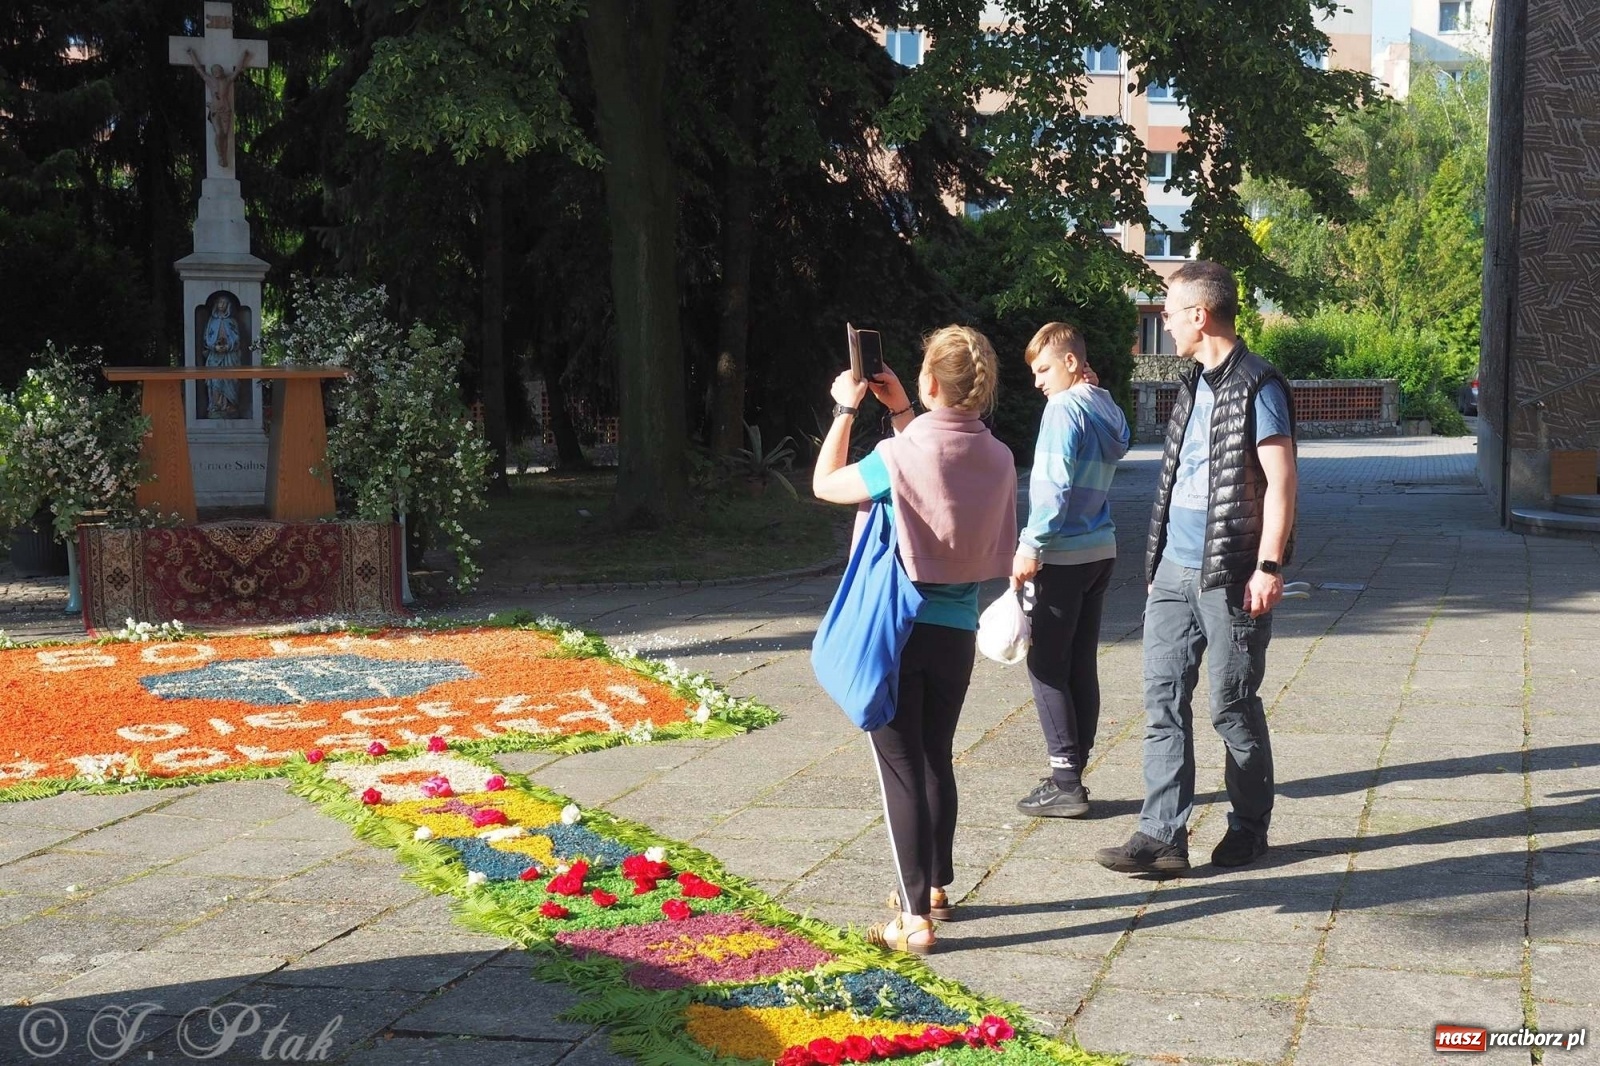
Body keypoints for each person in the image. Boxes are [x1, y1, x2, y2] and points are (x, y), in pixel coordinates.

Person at [813, 325, 1017, 953]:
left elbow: (827, 483)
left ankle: (912, 918)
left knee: (899, 769)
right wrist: (903, 409)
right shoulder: (999, 453)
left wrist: (847, 408)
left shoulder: (900, 454)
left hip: (897, 626)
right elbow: (940, 462)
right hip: (957, 629)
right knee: (935, 758)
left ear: (931, 381)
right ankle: (934, 888)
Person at [1096, 260, 1298, 875]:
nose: (1163, 317)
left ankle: (1248, 830)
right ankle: (1162, 837)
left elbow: (1282, 481)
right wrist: (1156, 563)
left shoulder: (1260, 385)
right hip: (1172, 572)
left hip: (1232, 573)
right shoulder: (1189, 385)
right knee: (1161, 700)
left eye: (1169, 309)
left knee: (1230, 706)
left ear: (1199, 316)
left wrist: (1269, 566)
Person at [1010, 322, 1129, 818]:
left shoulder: (1063, 409)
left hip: (1059, 553)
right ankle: (1072, 772)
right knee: (1080, 662)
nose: (1038, 382)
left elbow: (1054, 486)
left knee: (1045, 666)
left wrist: (1030, 544)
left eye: (1044, 369)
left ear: (1071, 363)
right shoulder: (1105, 406)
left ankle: (1065, 783)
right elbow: (1122, 442)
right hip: (1100, 550)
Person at [201, 293, 243, 418]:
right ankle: (216, 405)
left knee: (230, 379)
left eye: (224, 303)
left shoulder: (232, 322)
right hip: (214, 357)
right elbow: (206, 338)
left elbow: (237, 339)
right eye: (219, 303)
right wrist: (215, 347)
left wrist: (228, 346)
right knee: (215, 381)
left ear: (228, 306)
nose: (221, 305)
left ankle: (229, 405)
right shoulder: (211, 321)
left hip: (230, 357)